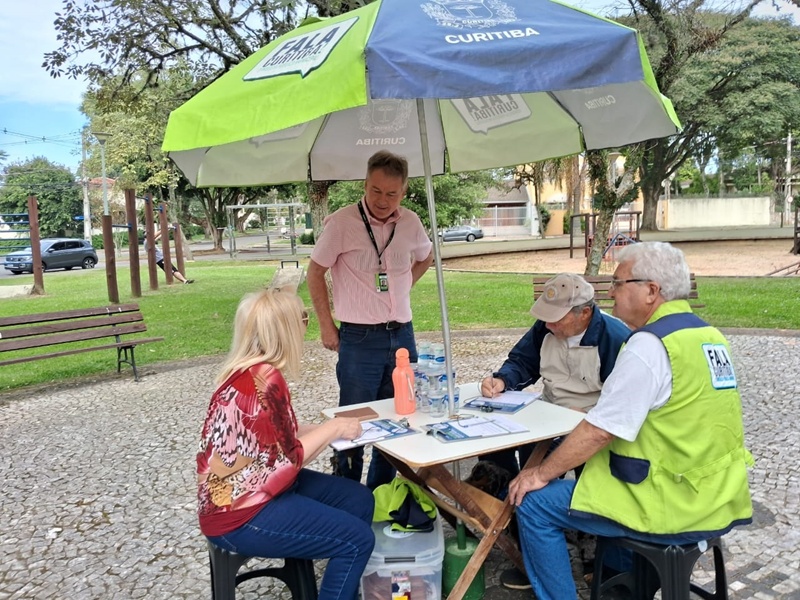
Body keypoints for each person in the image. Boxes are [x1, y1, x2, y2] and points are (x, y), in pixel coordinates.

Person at [507, 242, 753, 600]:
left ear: (652, 290)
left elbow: (600, 431)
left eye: (620, 283)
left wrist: (539, 473)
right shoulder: (710, 337)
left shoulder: (650, 345)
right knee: (600, 476)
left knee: (532, 503)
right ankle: (622, 578)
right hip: (718, 495)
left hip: (667, 502)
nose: (610, 292)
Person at [197, 289, 375, 600]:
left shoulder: (249, 371)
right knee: (357, 540)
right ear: (286, 330)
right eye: (303, 318)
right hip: (241, 513)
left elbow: (281, 437)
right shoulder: (263, 384)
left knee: (358, 499)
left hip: (250, 494)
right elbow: (288, 462)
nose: (306, 326)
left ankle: (345, 585)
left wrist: (327, 429)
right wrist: (332, 428)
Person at [478, 272, 630, 590]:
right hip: (549, 415)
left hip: (595, 425)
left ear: (584, 313)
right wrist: (503, 379)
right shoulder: (545, 327)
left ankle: (598, 557)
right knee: (497, 449)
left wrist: (589, 416)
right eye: (545, 319)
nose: (548, 326)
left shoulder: (615, 338)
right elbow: (522, 361)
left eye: (556, 319)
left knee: (593, 474)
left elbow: (625, 407)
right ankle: (524, 545)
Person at [307, 150, 433, 490]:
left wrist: (403, 285)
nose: (382, 200)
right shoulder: (342, 223)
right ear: (365, 184)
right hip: (359, 339)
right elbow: (315, 271)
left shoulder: (410, 222)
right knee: (353, 422)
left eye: (391, 194)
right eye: (375, 190)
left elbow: (426, 256)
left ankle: (381, 495)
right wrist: (325, 324)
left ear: (403, 192)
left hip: (402, 336)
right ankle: (346, 495)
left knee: (401, 415)